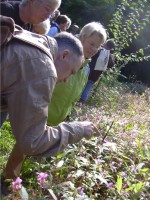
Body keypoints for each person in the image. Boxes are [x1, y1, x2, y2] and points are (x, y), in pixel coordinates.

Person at [0, 16, 100, 195]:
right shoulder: (44, 68)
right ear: (64, 55)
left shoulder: (37, 42)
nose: (66, 80)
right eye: (70, 72)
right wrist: (76, 130)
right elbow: (32, 141)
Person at [47, 22, 107, 126]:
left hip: (56, 125)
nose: (94, 49)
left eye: (98, 46)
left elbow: (72, 99)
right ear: (82, 38)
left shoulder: (86, 69)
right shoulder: (63, 57)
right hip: (38, 119)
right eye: (92, 44)